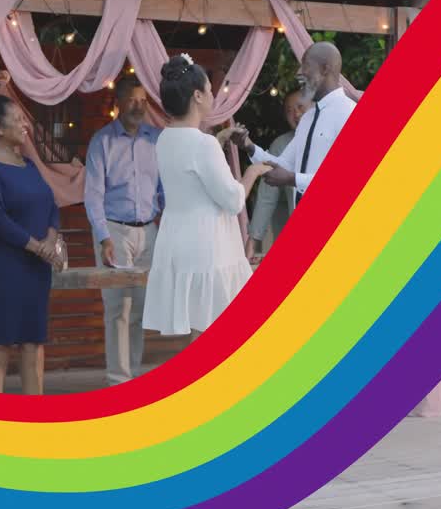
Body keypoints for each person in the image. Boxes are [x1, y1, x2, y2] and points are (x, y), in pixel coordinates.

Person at [142, 54, 271, 341]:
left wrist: (217, 141)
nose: (213, 95)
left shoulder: (165, 139)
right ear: (197, 96)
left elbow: (192, 172)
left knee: (199, 327)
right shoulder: (203, 144)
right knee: (216, 331)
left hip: (177, 239)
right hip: (208, 242)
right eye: (210, 90)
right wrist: (253, 172)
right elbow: (233, 200)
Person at [0, 95, 64, 395]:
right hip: (6, 265)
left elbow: (51, 205)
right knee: (0, 340)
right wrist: (38, 247)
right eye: (18, 119)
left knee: (33, 341)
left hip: (37, 267)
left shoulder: (29, 165)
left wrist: (51, 238)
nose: (26, 125)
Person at [84, 77, 163, 385]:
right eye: (132, 100)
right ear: (118, 103)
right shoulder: (102, 141)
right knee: (118, 308)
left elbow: (164, 188)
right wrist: (103, 236)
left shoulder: (156, 139)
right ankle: (118, 381)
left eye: (143, 100)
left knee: (141, 308)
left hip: (149, 231)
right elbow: (93, 195)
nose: (139, 106)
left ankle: (133, 378)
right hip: (114, 231)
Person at [235, 42, 355, 205]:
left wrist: (293, 179)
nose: (299, 72)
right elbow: (284, 164)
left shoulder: (350, 113)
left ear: (324, 69)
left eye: (306, 65)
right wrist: (249, 146)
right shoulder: (308, 118)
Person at [244, 89, 308, 262]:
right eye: (289, 110)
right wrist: (253, 241)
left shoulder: (336, 134)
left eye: (300, 107)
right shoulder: (281, 145)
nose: (296, 114)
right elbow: (267, 196)